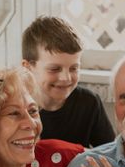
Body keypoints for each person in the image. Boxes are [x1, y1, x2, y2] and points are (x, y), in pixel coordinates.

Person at [22, 16, 115, 147]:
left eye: (74, 68)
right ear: (28, 67)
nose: (66, 78)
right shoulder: (16, 107)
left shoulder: (89, 103)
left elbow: (110, 153)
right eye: (54, 69)